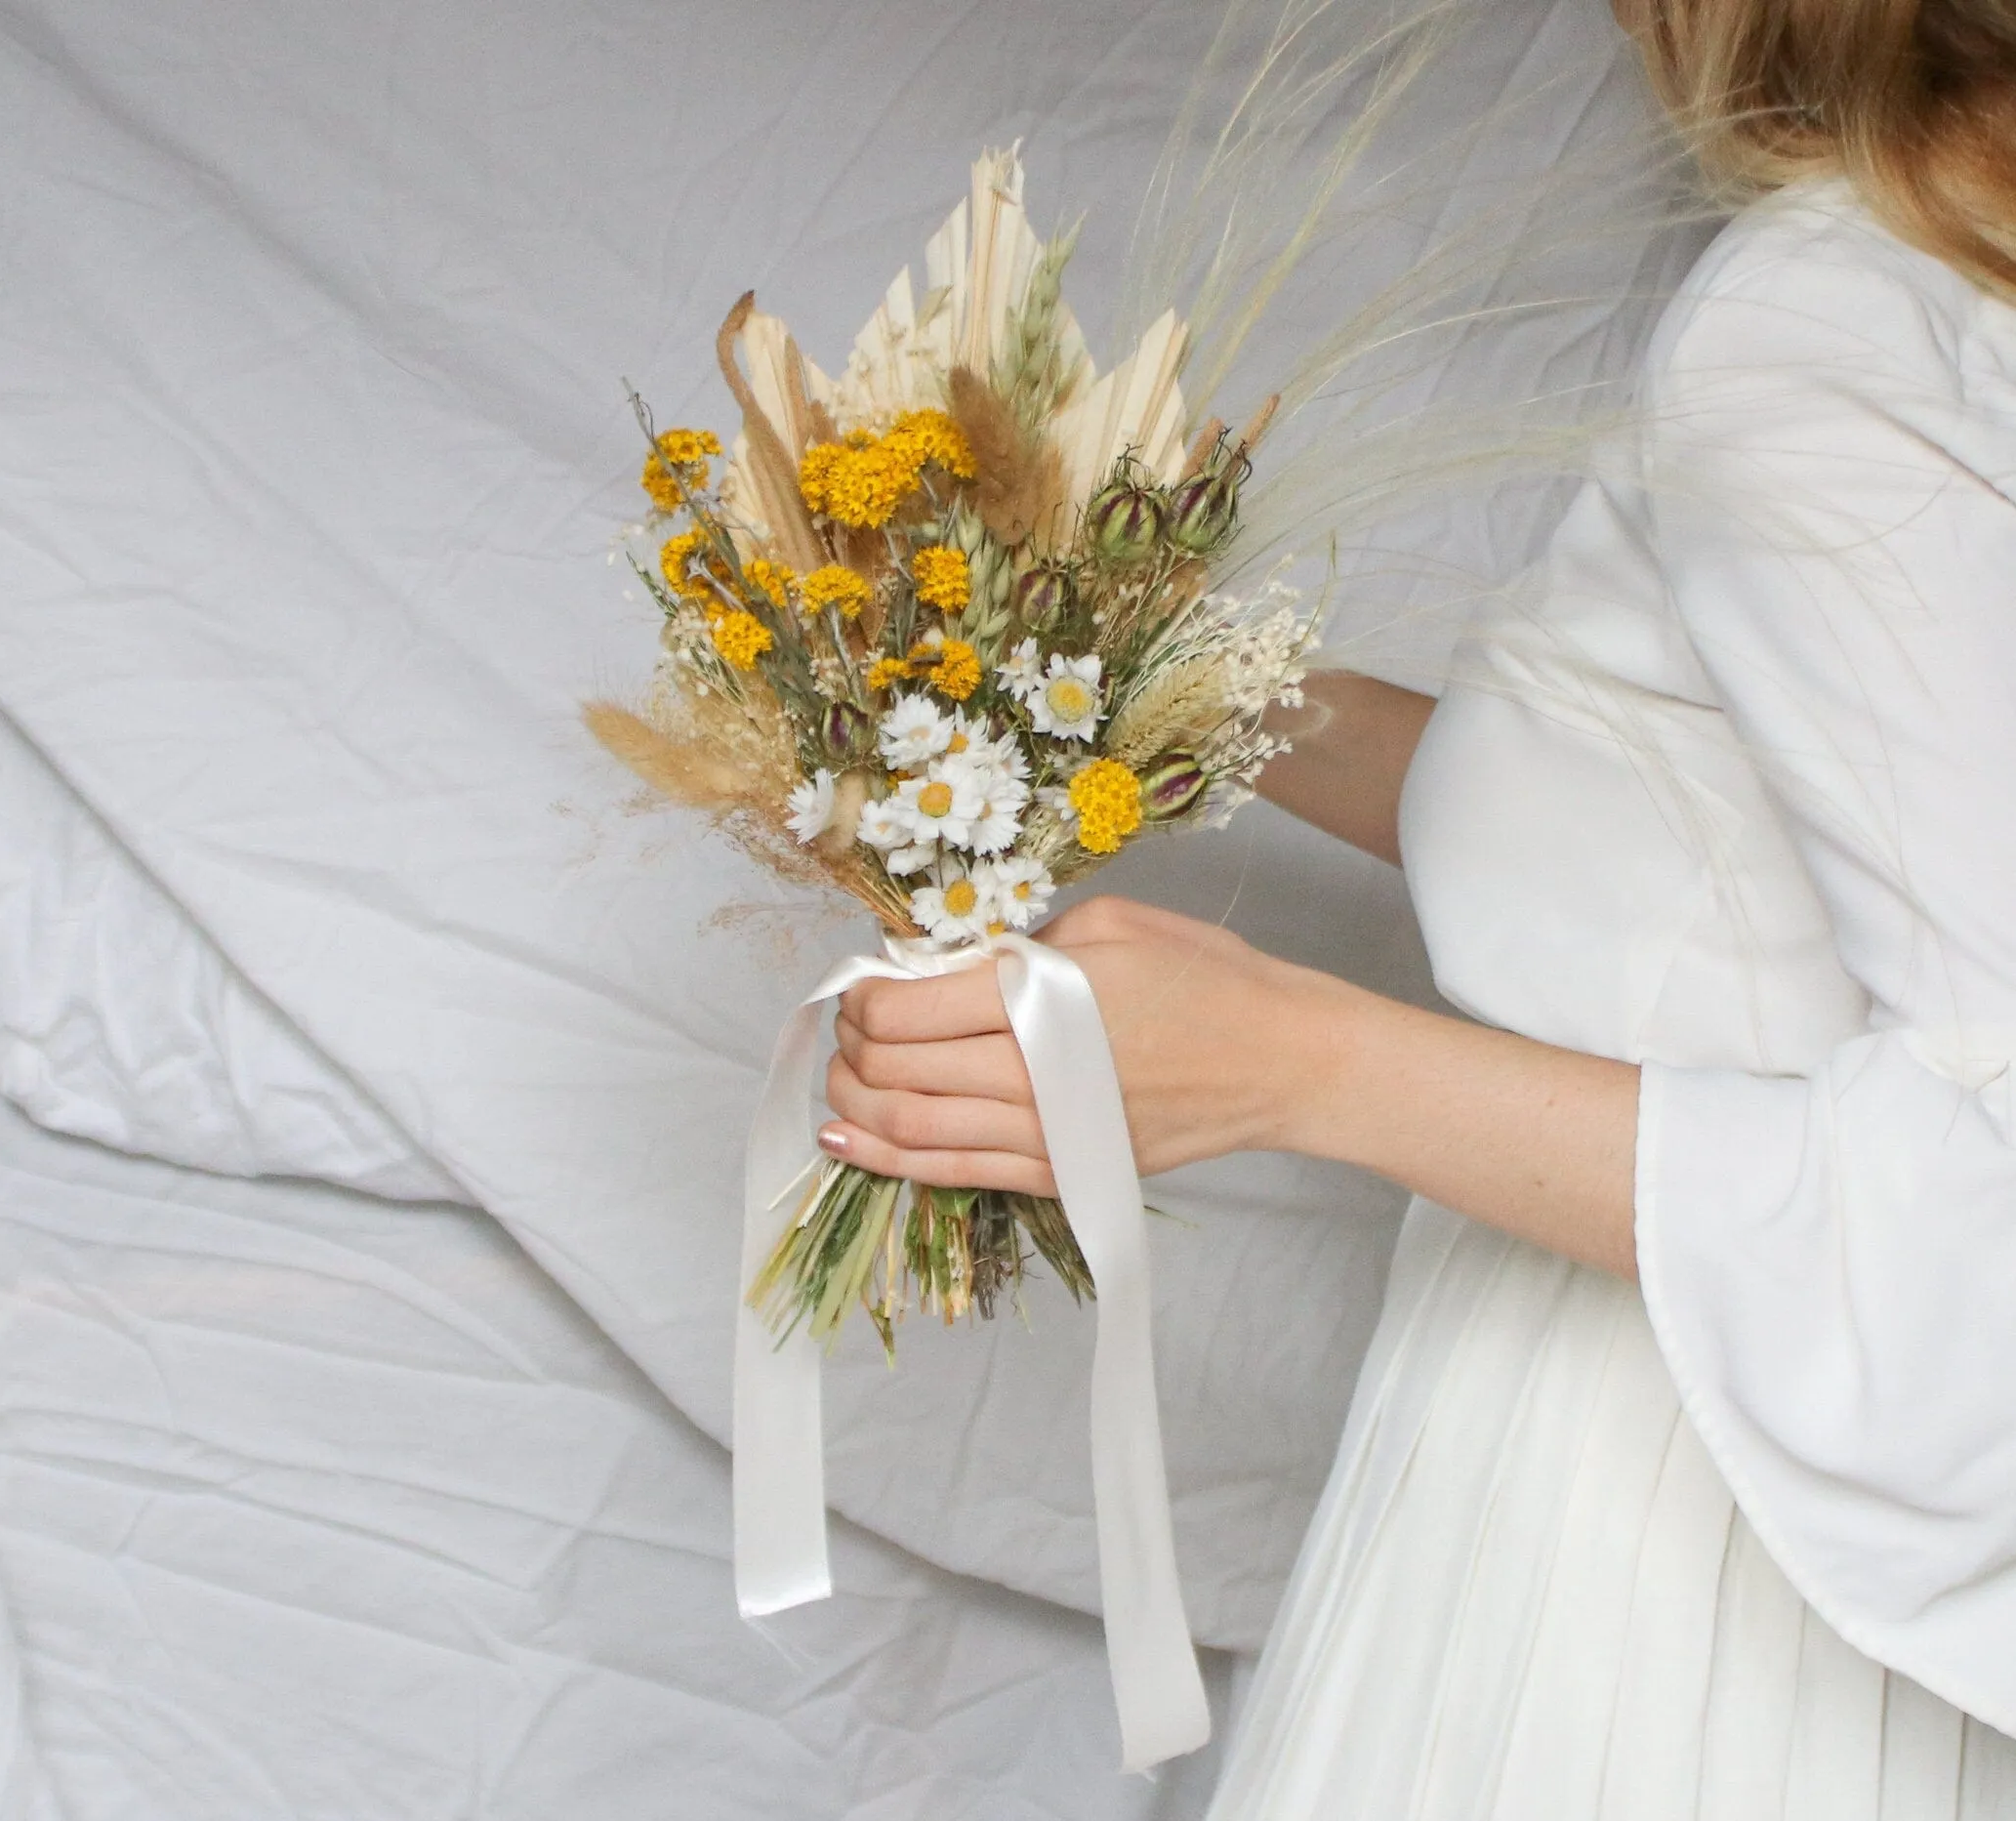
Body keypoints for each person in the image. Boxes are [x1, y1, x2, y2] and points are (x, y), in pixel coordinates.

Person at [813, 0, 2016, 1811]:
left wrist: (1294, 1065)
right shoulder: (1938, 276)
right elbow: (1706, 857)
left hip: (1679, 1570)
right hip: (1661, 1494)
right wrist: (1139, 678)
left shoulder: (1834, 310)